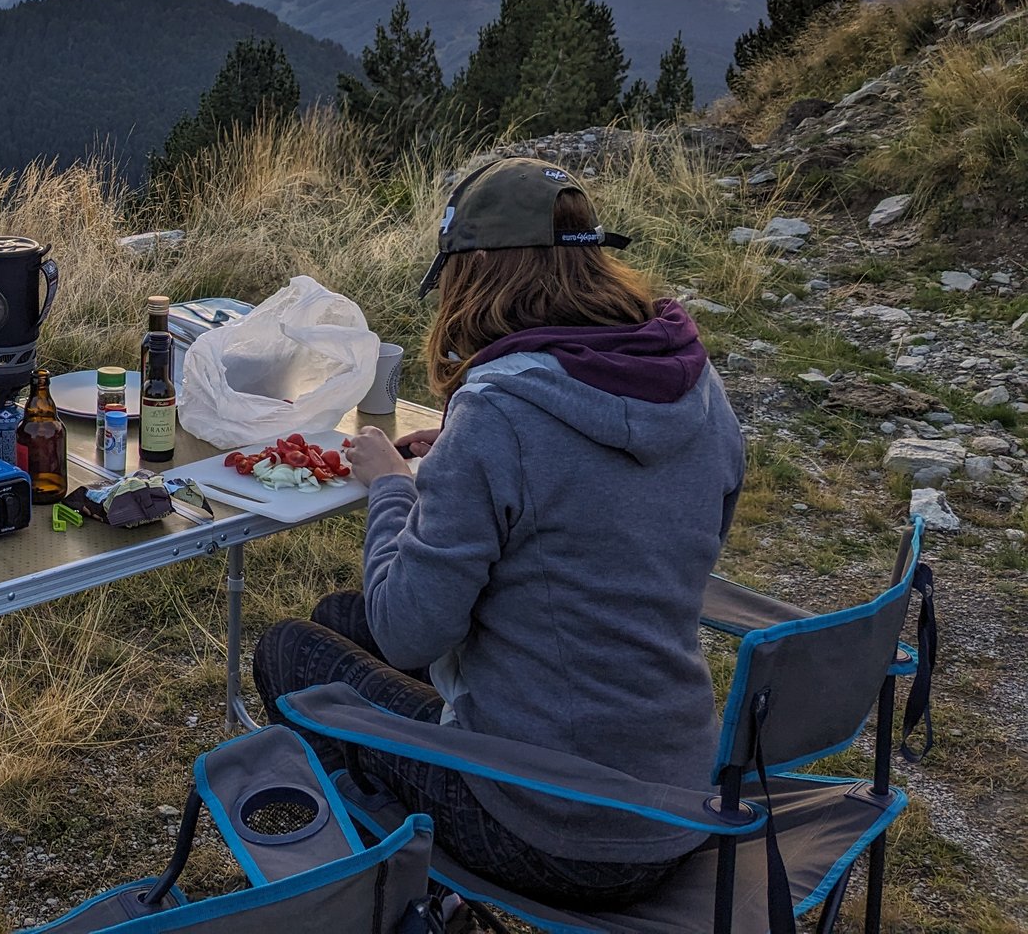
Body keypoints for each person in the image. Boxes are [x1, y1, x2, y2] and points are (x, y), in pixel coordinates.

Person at [254, 156, 745, 910]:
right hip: (677, 795)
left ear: (476, 270)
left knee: (291, 651)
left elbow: (407, 634)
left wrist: (390, 484)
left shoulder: (502, 411)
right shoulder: (693, 383)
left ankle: (390, 899)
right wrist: (463, 476)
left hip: (549, 825)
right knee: (334, 621)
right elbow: (645, 535)